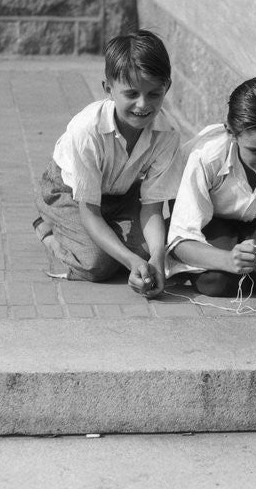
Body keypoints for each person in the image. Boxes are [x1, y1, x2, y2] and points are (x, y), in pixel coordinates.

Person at [33, 29, 183, 297]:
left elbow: (152, 209)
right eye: (132, 93)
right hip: (69, 193)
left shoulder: (167, 135)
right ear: (108, 89)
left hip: (122, 193)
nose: (142, 105)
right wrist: (132, 261)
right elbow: (89, 211)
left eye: (154, 94)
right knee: (97, 264)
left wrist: (156, 260)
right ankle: (47, 228)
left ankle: (112, 237)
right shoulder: (86, 131)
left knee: (156, 249)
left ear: (166, 88)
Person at [166, 75, 256, 297]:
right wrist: (227, 260)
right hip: (212, 220)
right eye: (255, 151)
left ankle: (247, 271)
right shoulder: (206, 157)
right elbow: (180, 242)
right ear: (230, 132)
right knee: (216, 281)